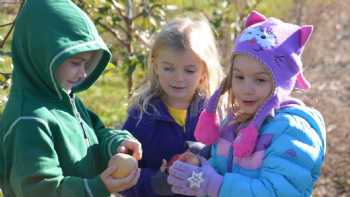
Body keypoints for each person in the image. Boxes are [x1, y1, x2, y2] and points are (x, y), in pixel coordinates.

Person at [167, 10, 326, 197]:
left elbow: (278, 192)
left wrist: (215, 185)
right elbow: (226, 165)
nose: (246, 89)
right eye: (239, 77)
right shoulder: (235, 119)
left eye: (260, 80)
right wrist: (201, 161)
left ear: (281, 83)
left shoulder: (293, 132)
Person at [0, 1, 143, 196]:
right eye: (76, 63)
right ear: (42, 54)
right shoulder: (29, 121)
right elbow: (39, 189)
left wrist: (116, 143)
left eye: (86, 64)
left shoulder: (63, 100)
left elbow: (96, 134)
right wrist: (97, 187)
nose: (83, 74)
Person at [121, 16, 224, 197]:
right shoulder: (142, 116)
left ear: (203, 72)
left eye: (189, 70)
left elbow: (231, 168)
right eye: (168, 68)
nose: (178, 78)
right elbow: (123, 174)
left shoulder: (217, 114)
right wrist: (157, 182)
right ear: (155, 65)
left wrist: (202, 161)